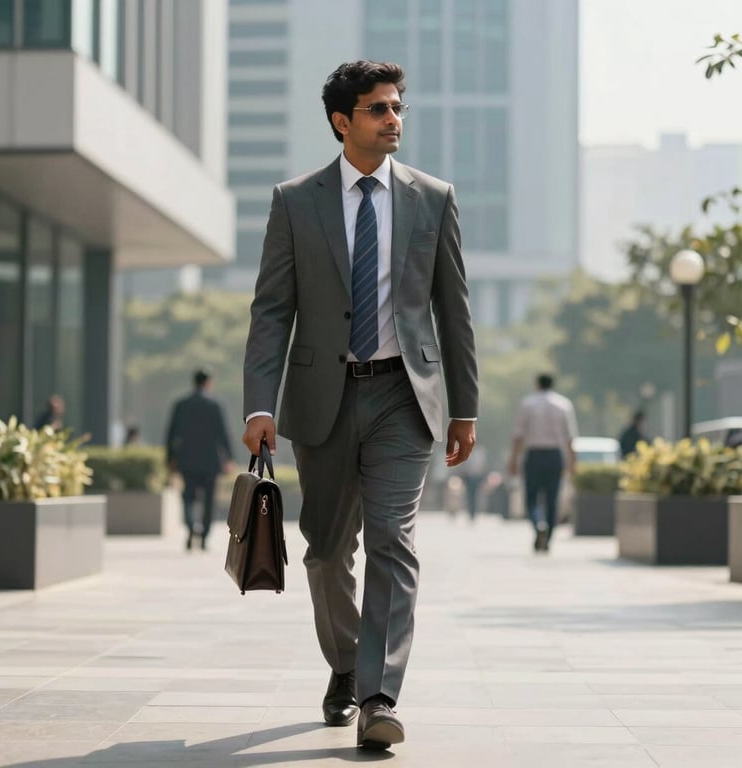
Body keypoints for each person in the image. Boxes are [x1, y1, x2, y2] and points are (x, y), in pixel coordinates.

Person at [242, 60, 479, 750]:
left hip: (405, 398)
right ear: (343, 121)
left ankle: (379, 695)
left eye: (397, 107)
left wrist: (464, 408)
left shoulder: (434, 198)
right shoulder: (296, 201)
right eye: (378, 109)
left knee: (393, 541)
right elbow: (271, 311)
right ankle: (348, 661)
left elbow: (453, 311)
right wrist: (260, 403)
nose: (393, 119)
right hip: (322, 397)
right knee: (322, 552)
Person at [165, 369, 235, 551]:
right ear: (208, 383)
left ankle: (191, 527)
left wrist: (170, 458)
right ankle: (203, 536)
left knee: (188, 496)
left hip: (186, 459)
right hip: (211, 461)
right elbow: (223, 433)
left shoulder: (181, 404)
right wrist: (229, 458)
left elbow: (171, 434)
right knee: (209, 500)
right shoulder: (215, 405)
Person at [507, 373, 577, 552]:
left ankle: (539, 524)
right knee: (552, 499)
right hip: (555, 455)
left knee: (531, 497)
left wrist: (514, 459)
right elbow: (570, 437)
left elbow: (518, 435)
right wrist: (572, 461)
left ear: (537, 384)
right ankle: (549, 538)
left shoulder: (528, 403)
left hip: (534, 455)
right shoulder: (563, 404)